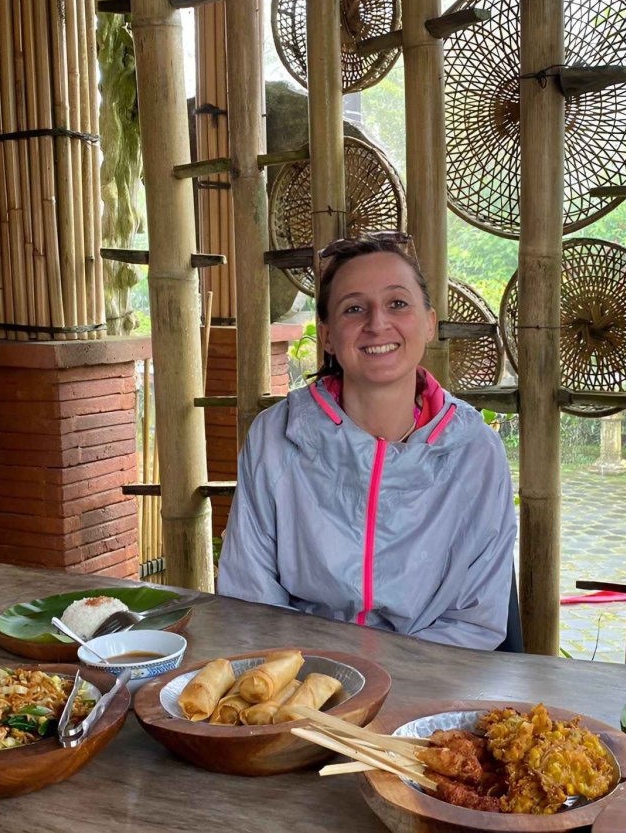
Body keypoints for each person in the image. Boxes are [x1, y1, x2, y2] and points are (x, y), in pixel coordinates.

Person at [218, 232, 516, 650]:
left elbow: (476, 620)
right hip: (296, 682)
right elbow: (249, 599)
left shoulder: (475, 452)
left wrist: (393, 688)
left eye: (398, 303)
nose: (377, 323)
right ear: (325, 335)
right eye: (354, 308)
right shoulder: (275, 437)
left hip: (433, 682)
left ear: (428, 323)